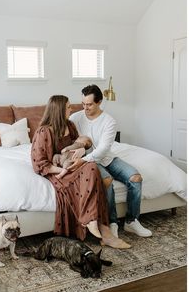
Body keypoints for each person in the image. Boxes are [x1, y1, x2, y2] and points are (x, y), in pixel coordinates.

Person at [31, 95, 131, 249]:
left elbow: (80, 145)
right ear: (59, 110)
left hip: (71, 165)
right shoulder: (43, 132)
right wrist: (64, 169)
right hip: (57, 170)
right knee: (90, 171)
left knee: (91, 167)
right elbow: (40, 164)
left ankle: (94, 223)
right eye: (68, 107)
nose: (71, 109)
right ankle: (100, 228)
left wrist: (79, 150)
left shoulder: (70, 125)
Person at [70, 85, 152, 238]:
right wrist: (79, 149)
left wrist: (83, 159)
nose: (85, 108)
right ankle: (112, 222)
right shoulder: (75, 118)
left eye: (89, 104)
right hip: (90, 162)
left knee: (136, 178)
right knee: (107, 181)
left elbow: (102, 150)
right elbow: (67, 138)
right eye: (83, 104)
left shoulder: (109, 121)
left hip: (106, 157)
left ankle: (131, 221)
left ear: (99, 102)